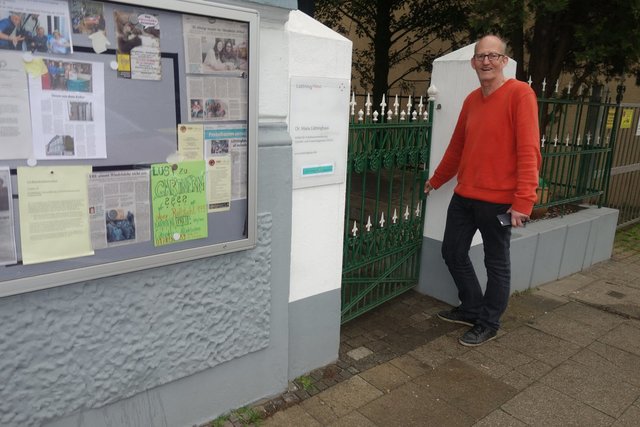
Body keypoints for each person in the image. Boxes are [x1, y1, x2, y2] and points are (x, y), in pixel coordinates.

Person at [424, 35, 541, 347]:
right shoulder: (472, 100)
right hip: (465, 196)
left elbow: (529, 151)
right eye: (480, 57)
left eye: (492, 56)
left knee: (496, 263)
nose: (486, 61)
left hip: (501, 202)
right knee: (452, 251)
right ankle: (472, 307)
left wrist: (524, 202)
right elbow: (457, 147)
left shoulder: (520, 94)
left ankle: (489, 322)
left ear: (503, 61)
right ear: (473, 62)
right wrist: (437, 179)